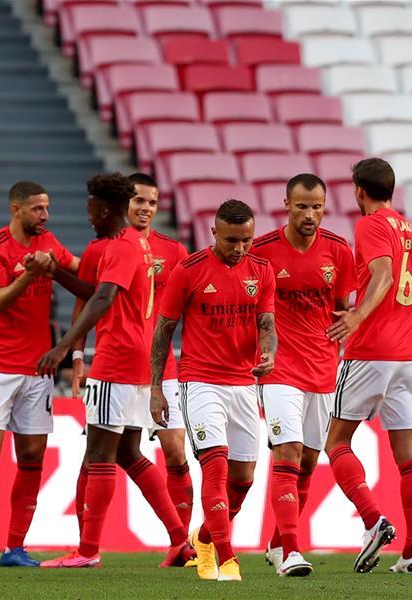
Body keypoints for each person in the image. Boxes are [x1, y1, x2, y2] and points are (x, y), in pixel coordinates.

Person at [36, 173, 191, 569]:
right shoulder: (138, 246)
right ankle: (179, 539)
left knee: (99, 455)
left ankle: (88, 551)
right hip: (142, 361)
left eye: (91, 210)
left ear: (105, 210)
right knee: (130, 453)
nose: (89, 218)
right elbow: (99, 291)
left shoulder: (121, 248)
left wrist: (65, 345)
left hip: (117, 360)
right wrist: (57, 273)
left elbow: (104, 298)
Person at [0, 181, 79, 567]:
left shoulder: (49, 242)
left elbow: (78, 269)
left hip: (38, 369)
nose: (45, 216)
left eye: (47, 208)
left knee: (32, 459)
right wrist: (28, 275)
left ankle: (14, 548)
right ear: (16, 209)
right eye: (38, 209)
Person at [150, 199, 276, 582]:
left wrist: (268, 353)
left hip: (243, 382)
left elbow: (266, 321)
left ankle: (205, 537)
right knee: (215, 467)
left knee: (244, 479)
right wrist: (156, 387)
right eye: (231, 240)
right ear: (214, 234)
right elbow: (163, 330)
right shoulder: (188, 271)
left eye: (246, 240)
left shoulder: (263, 270)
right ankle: (227, 557)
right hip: (200, 381)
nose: (239, 249)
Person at [324, 158, 412, 574]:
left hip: (372, 349)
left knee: (335, 441)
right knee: (410, 456)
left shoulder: (371, 225)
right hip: (411, 354)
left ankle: (373, 520)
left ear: (359, 190)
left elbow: (384, 274)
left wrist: (358, 316)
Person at [251, 173, 357, 576]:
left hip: (323, 370)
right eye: (301, 206)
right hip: (279, 369)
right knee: (288, 452)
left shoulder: (338, 251)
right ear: (286, 204)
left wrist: (348, 324)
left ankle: (278, 543)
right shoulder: (262, 253)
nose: (309, 215)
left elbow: (341, 306)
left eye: (316, 207)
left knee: (310, 463)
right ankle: (293, 551)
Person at [127, 172, 194, 543]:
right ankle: (86, 544)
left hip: (162, 367)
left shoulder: (174, 251)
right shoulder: (113, 247)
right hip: (119, 368)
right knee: (103, 455)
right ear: (126, 202)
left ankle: (181, 541)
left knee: (175, 451)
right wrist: (76, 355)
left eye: (152, 202)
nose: (146, 208)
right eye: (139, 200)